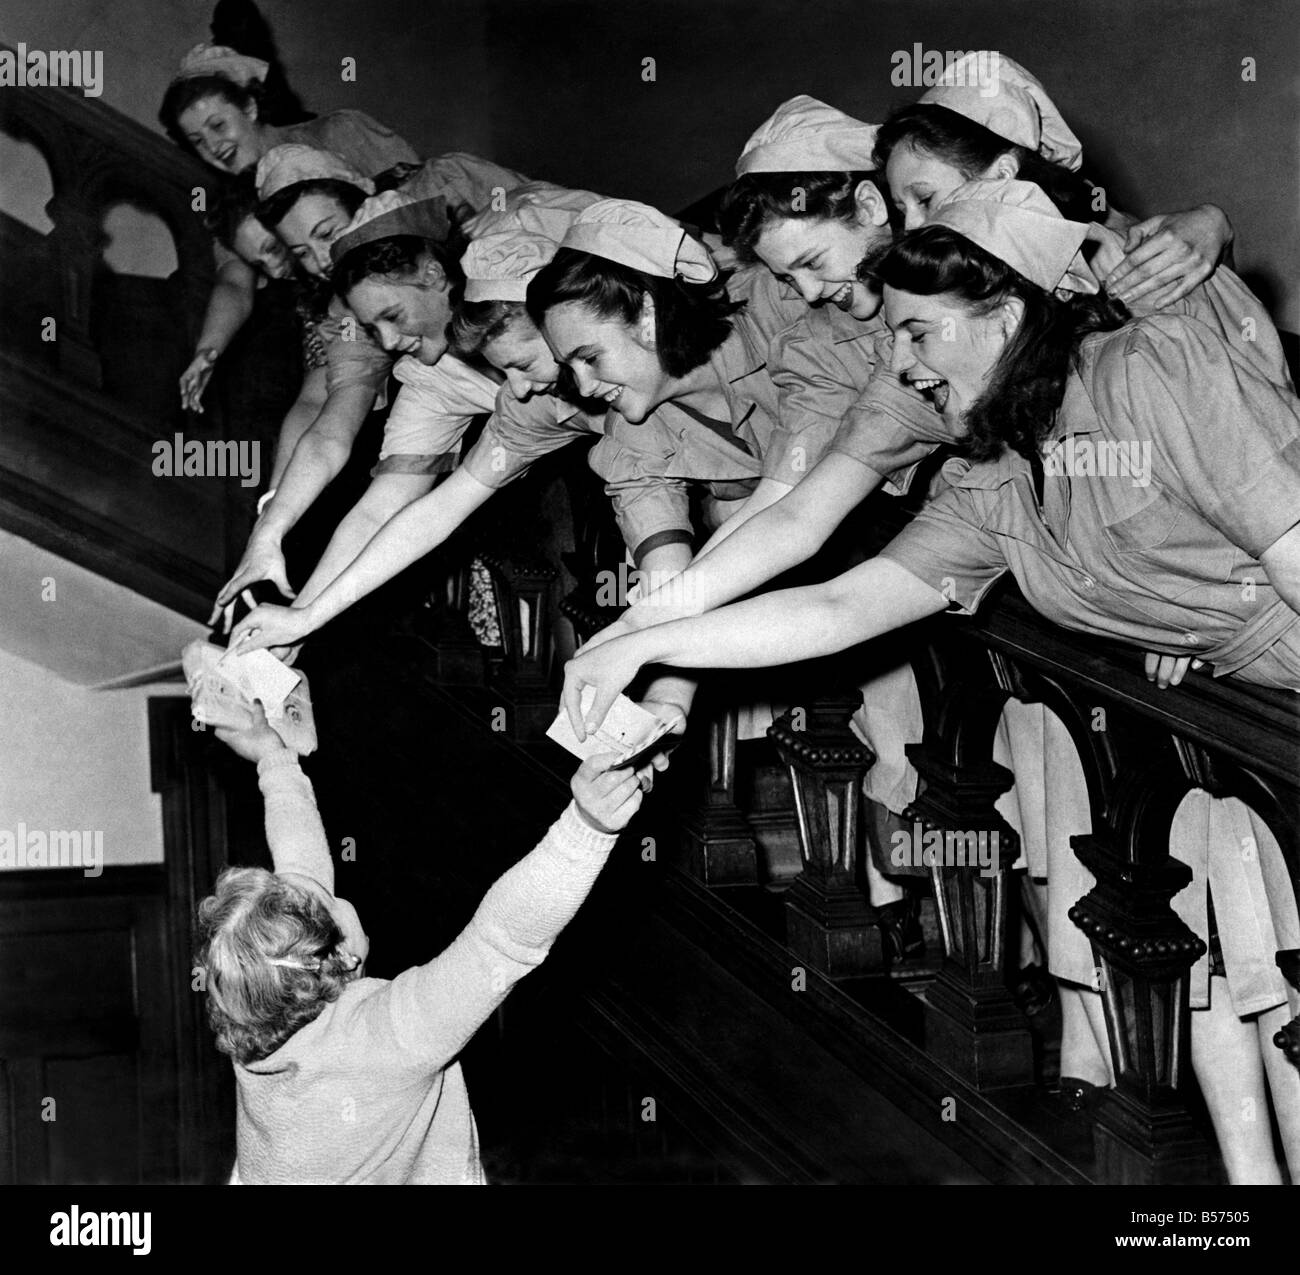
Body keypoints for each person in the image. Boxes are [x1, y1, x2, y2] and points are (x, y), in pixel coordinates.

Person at [560, 179, 1300, 1181]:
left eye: (918, 334)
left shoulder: (1151, 366)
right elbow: (837, 607)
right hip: (1248, 741)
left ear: (1006, 314)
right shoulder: (989, 477)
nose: (899, 364)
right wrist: (637, 643)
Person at [198, 705, 666, 1184]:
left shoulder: (252, 1007)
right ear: (343, 957)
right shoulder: (388, 1038)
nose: (321, 880)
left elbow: (301, 860)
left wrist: (272, 757)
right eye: (330, 899)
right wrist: (587, 829)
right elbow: (501, 939)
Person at [211, 146, 530, 612]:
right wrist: (271, 532)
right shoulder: (356, 320)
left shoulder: (464, 202)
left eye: (328, 233)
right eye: (300, 252)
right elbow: (332, 428)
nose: (323, 259)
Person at [160, 42, 419, 413]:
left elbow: (421, 192)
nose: (214, 147)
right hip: (347, 332)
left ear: (249, 107)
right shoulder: (237, 203)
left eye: (218, 125)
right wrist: (208, 349)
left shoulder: (338, 132)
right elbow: (234, 284)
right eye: (198, 141)